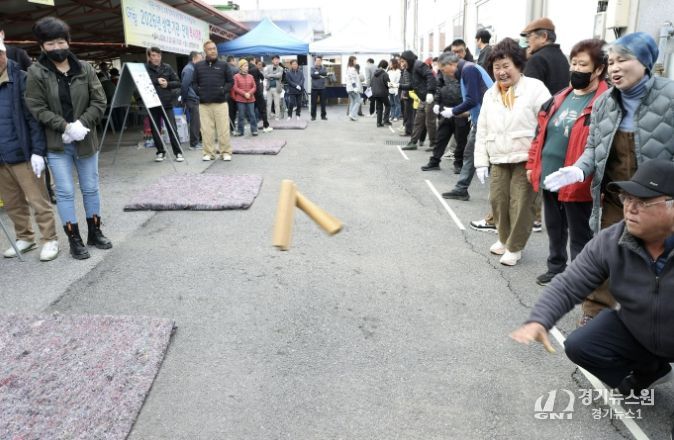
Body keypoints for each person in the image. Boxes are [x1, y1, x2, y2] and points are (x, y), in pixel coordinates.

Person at [511, 159, 674, 397]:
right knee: (581, 345)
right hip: (638, 329)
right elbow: (569, 284)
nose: (630, 208)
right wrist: (540, 319)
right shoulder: (612, 240)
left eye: (643, 202)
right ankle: (651, 370)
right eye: (627, 198)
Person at [544, 31, 674, 325]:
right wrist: (579, 169)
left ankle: (652, 321)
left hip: (661, 200)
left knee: (658, 259)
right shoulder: (604, 103)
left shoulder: (670, 96)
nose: (614, 68)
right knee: (608, 250)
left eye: (622, 60)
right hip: (618, 196)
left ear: (644, 62)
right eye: (611, 61)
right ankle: (594, 312)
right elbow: (593, 147)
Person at [25, 16, 111, 260]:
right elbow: (36, 106)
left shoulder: (85, 68)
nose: (57, 48)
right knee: (64, 192)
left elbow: (99, 100)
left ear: (68, 42)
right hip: (57, 144)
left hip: (86, 140)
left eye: (60, 42)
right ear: (42, 46)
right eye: (50, 44)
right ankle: (74, 238)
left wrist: (81, 124)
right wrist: (64, 127)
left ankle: (95, 231)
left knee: (91, 188)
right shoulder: (36, 72)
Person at [526, 39, 608, 286]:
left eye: (583, 65)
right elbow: (540, 134)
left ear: (598, 70)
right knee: (554, 227)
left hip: (578, 178)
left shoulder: (605, 101)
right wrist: (532, 165)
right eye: (574, 63)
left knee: (580, 232)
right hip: (551, 175)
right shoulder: (560, 97)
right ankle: (556, 267)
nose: (576, 69)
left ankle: (580, 277)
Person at [473, 37, 551, 266]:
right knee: (498, 201)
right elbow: (482, 128)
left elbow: (548, 123)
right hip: (498, 156)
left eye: (506, 65)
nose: (501, 72)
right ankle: (504, 238)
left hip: (526, 158)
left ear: (518, 64)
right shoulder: (491, 94)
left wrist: (541, 158)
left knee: (522, 204)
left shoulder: (535, 88)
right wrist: (480, 161)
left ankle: (515, 246)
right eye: (496, 67)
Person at [0, 39, 59, 261]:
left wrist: (38, 151)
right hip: (1, 157)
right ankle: (25, 237)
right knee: (12, 203)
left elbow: (34, 119)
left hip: (23, 153)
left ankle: (50, 239)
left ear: (5, 53)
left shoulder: (22, 79)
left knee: (38, 200)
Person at [436, 50, 493, 198]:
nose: (444, 74)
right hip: (485, 118)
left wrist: (453, 111)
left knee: (472, 153)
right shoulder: (469, 69)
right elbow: (478, 98)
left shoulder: (468, 70)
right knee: (476, 154)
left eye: (443, 70)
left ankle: (462, 189)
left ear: (451, 64)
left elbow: (472, 100)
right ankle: (462, 188)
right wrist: (464, 113)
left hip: (486, 120)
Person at [420, 52, 465, 172]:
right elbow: (438, 87)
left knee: (461, 139)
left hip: (460, 108)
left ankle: (459, 163)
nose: (443, 70)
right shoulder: (442, 72)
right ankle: (435, 161)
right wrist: (436, 102)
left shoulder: (463, 71)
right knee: (441, 136)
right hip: (445, 108)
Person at [192, 40, 233, 161]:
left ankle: (225, 152)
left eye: (214, 48)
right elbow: (194, 83)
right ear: (205, 51)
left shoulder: (224, 65)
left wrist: (223, 90)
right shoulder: (198, 66)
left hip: (221, 103)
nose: (213, 51)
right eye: (210, 49)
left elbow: (230, 82)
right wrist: (199, 93)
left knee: (223, 129)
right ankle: (208, 153)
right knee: (206, 130)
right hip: (204, 104)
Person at [144, 46, 184, 162]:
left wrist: (168, 84)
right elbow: (141, 82)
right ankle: (160, 152)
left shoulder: (167, 67)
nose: (156, 58)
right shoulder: (144, 69)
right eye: (153, 55)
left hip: (167, 103)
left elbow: (178, 82)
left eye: (158, 55)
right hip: (152, 102)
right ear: (149, 57)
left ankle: (178, 152)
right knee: (155, 129)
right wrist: (156, 81)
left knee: (172, 128)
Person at [521, 17, 570, 95]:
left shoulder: (537, 59)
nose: (527, 41)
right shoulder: (563, 58)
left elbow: (527, 94)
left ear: (544, 36)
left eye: (529, 36)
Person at [399, 50, 437, 151]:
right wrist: (398, 86)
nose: (402, 64)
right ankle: (413, 142)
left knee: (430, 122)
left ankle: (434, 144)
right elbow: (412, 86)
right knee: (418, 121)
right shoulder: (410, 69)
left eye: (403, 61)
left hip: (430, 97)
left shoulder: (418, 65)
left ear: (408, 59)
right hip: (423, 99)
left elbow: (430, 75)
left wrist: (430, 92)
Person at [181, 50, 203, 150]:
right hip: (191, 99)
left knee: (196, 121)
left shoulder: (192, 68)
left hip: (193, 98)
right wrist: (184, 99)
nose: (201, 61)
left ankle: (196, 142)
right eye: (200, 59)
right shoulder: (189, 69)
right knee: (195, 122)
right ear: (194, 59)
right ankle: (194, 144)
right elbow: (184, 85)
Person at [232, 59, 258, 137]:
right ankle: (240, 131)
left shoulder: (251, 76)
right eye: (245, 66)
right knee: (241, 115)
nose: (247, 67)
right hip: (240, 99)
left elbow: (254, 87)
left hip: (251, 98)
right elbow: (235, 87)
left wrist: (249, 93)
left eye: (247, 66)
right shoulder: (236, 76)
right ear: (240, 67)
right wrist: (244, 94)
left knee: (252, 114)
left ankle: (254, 130)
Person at [246, 56, 271, 132]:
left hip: (248, 93)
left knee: (251, 110)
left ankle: (253, 128)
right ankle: (265, 126)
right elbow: (262, 77)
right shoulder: (255, 69)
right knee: (262, 109)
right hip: (257, 92)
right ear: (252, 61)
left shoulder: (244, 70)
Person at [370, 60, 391, 127]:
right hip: (383, 93)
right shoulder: (385, 74)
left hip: (375, 93)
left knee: (379, 108)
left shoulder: (374, 73)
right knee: (388, 105)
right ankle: (386, 120)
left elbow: (371, 83)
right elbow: (388, 84)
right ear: (386, 66)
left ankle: (378, 123)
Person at [264, 55, 284, 120]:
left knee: (277, 104)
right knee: (268, 104)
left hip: (277, 88)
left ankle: (277, 117)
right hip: (269, 88)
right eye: (275, 59)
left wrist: (270, 75)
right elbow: (265, 75)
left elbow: (279, 75)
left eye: (277, 59)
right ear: (272, 60)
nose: (276, 60)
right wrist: (274, 75)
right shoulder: (268, 67)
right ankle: (268, 117)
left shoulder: (281, 68)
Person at [310, 56, 328, 121]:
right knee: (313, 103)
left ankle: (323, 116)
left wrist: (318, 73)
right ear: (315, 61)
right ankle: (313, 116)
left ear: (321, 61)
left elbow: (325, 74)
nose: (318, 62)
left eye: (319, 61)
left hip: (322, 88)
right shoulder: (312, 68)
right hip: (314, 88)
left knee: (323, 103)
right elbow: (312, 75)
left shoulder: (324, 68)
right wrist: (320, 75)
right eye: (317, 60)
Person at [345, 56, 362, 121]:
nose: (356, 61)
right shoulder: (352, 69)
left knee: (353, 101)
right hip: (353, 88)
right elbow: (353, 80)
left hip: (349, 88)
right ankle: (352, 114)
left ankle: (351, 115)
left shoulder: (348, 68)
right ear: (352, 61)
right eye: (355, 60)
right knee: (358, 101)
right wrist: (355, 88)